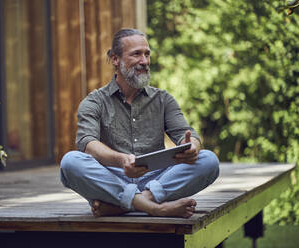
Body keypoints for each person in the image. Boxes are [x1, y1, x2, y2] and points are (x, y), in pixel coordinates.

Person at [60, 28, 219, 218]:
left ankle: (127, 205)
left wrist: (192, 146)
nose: (144, 61)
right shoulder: (94, 101)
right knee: (70, 162)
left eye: (147, 54)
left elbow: (188, 134)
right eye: (136, 54)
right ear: (114, 59)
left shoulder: (163, 99)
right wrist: (121, 159)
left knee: (208, 160)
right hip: (113, 179)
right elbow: (87, 143)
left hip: (159, 180)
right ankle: (155, 208)